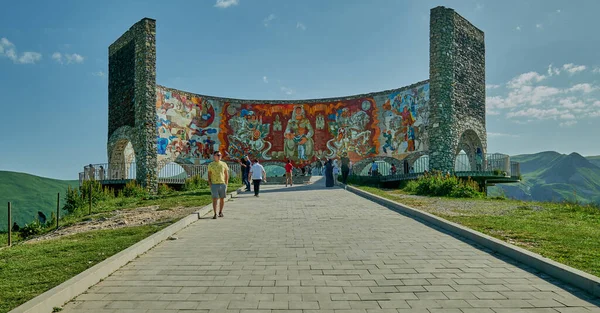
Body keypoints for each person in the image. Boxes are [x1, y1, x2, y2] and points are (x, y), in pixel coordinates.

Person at [207, 151, 229, 219]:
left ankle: (220, 212)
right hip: (214, 184)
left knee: (222, 198)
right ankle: (215, 213)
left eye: (220, 155)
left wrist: (226, 183)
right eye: (218, 155)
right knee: (215, 199)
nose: (219, 156)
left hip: (222, 184)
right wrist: (210, 183)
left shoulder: (224, 164)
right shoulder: (211, 165)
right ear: (214, 156)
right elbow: (209, 174)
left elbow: (226, 174)